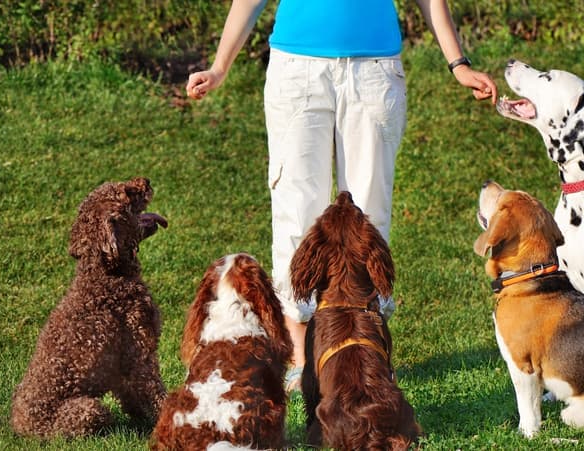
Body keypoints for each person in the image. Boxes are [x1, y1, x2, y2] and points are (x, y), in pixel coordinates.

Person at [186, 0, 498, 390]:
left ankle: (369, 348)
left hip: (374, 72)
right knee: (296, 211)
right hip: (297, 72)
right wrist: (219, 67)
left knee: (368, 219)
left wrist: (459, 63)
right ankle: (302, 359)